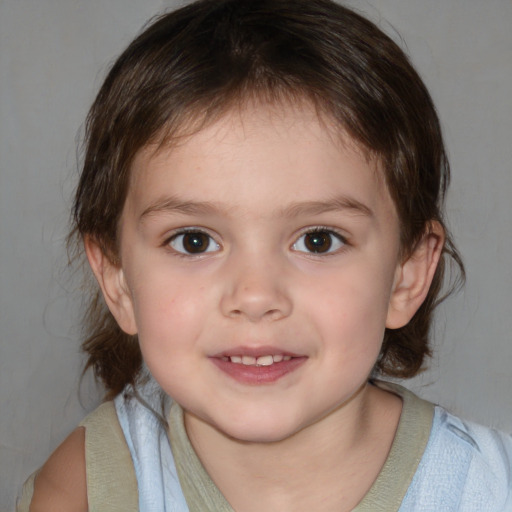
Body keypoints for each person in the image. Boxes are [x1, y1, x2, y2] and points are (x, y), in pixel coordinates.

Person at [17, 0, 512, 510]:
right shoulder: (87, 490)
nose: (255, 297)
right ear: (117, 279)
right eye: (194, 241)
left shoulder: (491, 489)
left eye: (319, 240)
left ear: (406, 275)